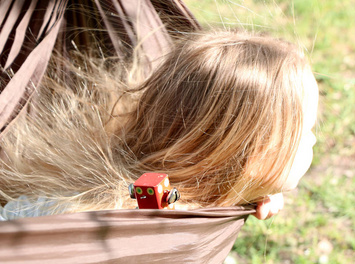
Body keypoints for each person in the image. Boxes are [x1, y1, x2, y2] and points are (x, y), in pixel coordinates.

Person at [0, 31, 318, 221]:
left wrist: (254, 190)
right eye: (305, 131)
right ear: (253, 156)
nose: (314, 139)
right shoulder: (149, 197)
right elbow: (148, 195)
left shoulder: (184, 185)